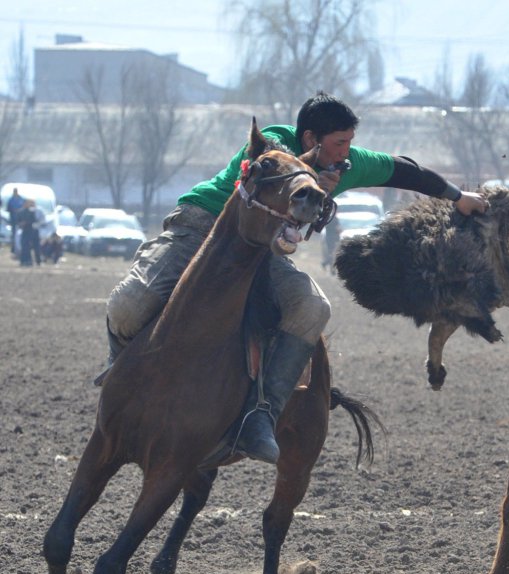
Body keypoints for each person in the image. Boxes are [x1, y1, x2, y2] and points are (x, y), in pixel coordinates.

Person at [105, 92, 488, 465]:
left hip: (256, 251)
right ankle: (120, 374)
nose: (347, 150)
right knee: (131, 303)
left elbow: (405, 169)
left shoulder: (347, 163)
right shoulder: (272, 146)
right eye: (340, 142)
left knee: (312, 307)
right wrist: (312, 184)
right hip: (198, 227)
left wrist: (457, 196)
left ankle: (261, 415)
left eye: (351, 141)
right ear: (309, 140)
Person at [17, 199, 43, 267]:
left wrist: (27, 223)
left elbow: (34, 220)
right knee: (24, 246)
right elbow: (18, 221)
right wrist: (21, 224)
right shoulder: (21, 211)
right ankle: (24, 261)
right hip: (25, 231)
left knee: (35, 247)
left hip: (32, 231)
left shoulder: (33, 211)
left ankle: (36, 261)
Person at [6, 188, 24, 256]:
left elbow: (23, 207)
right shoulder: (11, 200)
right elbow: (8, 208)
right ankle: (14, 248)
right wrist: (13, 210)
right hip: (13, 220)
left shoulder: (21, 199)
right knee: (14, 235)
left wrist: (19, 210)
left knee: (20, 235)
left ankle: (20, 248)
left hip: (20, 221)